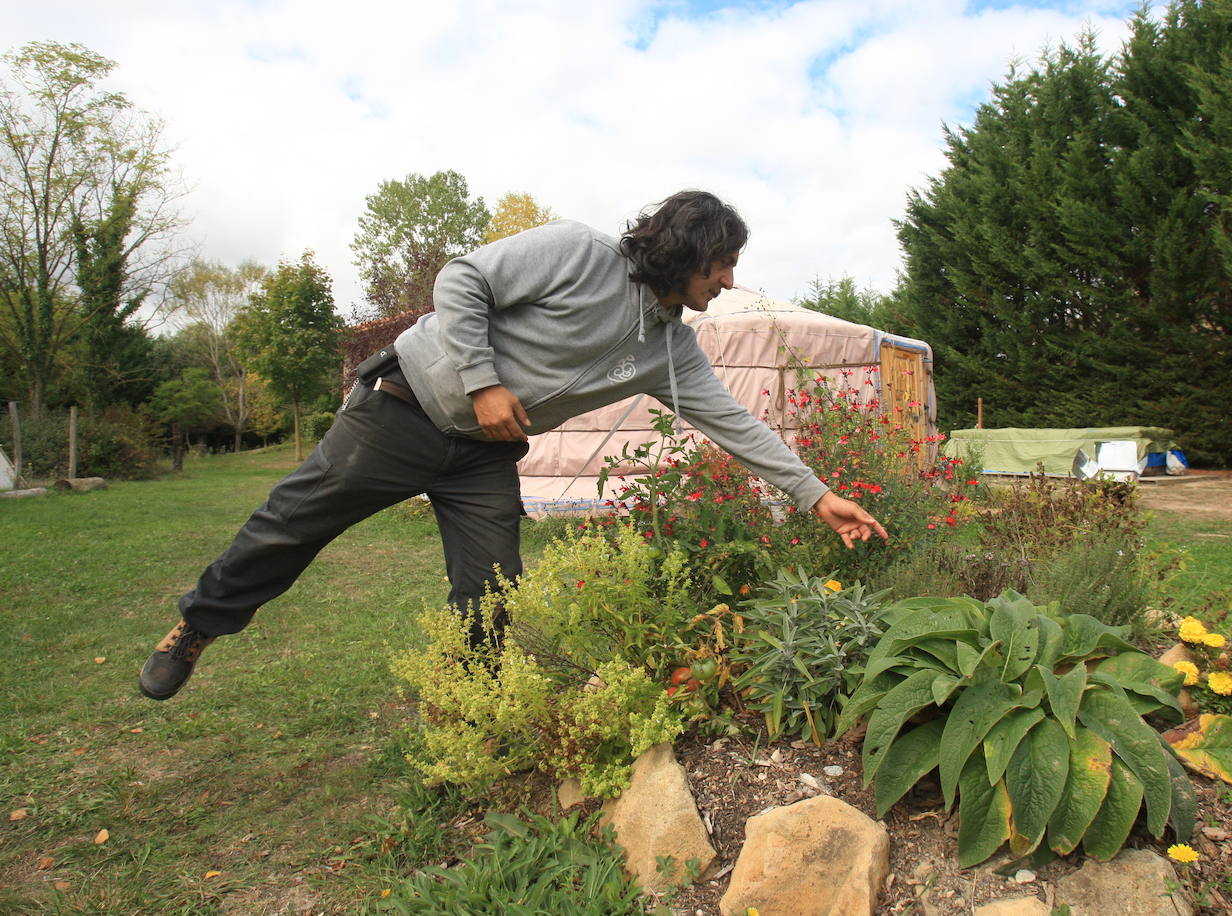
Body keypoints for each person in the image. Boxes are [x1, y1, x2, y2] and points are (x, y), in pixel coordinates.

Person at [139, 190, 887, 701]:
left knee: (491, 589)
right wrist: (483, 381)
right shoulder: (577, 251)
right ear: (686, 251)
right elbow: (461, 280)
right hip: (404, 408)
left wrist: (816, 495)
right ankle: (196, 627)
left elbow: (738, 423)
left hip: (482, 458)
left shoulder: (671, 347)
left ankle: (473, 707)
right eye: (721, 263)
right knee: (291, 523)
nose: (729, 280)